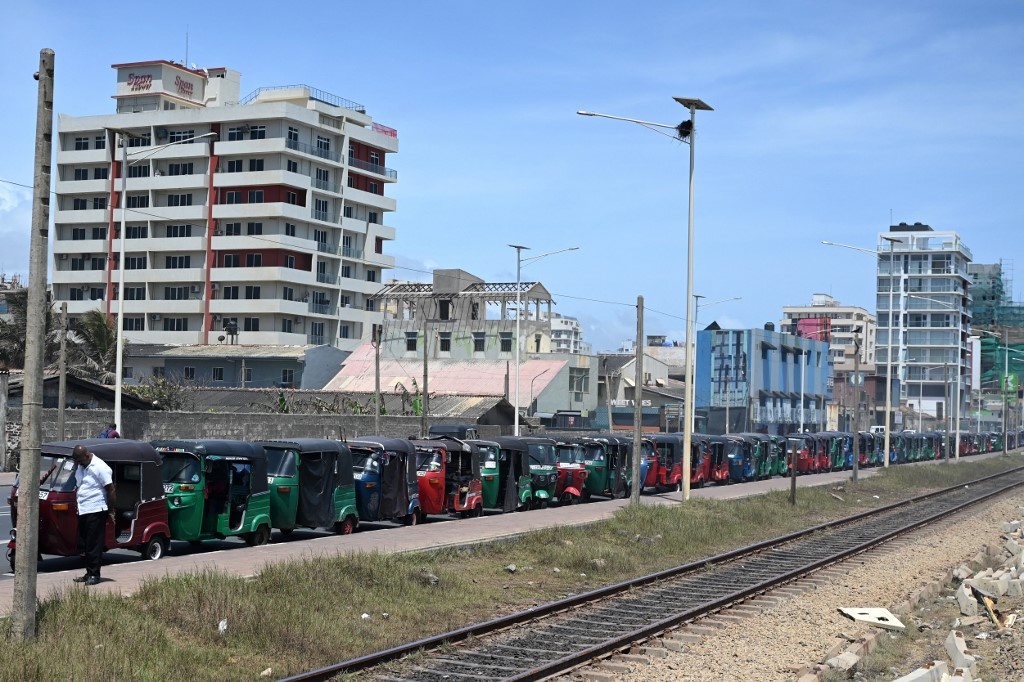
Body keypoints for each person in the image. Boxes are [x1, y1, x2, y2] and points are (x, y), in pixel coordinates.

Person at [71, 444, 116, 585]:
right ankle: (89, 572)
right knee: (85, 543)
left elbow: (111, 490)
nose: (78, 463)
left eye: (79, 460)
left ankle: (95, 575)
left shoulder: (100, 467)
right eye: (76, 461)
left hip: (96, 509)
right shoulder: (81, 466)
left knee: (94, 544)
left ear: (87, 456)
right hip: (83, 509)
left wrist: (111, 511)